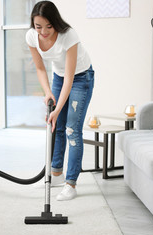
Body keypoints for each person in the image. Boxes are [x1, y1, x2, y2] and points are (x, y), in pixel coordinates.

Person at [26, 1, 94, 201]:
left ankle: (71, 184)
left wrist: (58, 109)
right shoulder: (31, 36)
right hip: (58, 77)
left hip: (81, 78)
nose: (44, 32)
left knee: (72, 129)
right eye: (39, 27)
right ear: (33, 24)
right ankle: (56, 175)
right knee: (56, 126)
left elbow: (71, 78)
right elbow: (40, 68)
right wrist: (47, 92)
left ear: (55, 22)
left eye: (48, 26)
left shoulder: (69, 35)